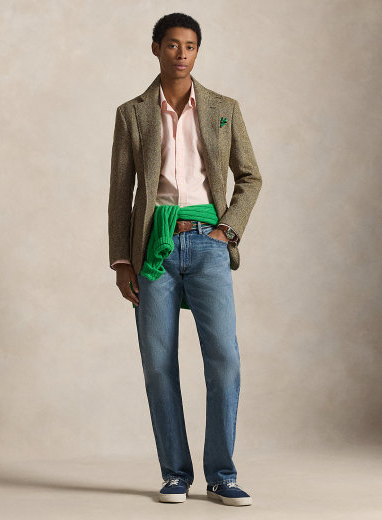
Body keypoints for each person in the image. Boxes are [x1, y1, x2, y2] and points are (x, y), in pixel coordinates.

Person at [108, 12, 262, 507]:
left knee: (224, 361)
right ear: (156, 47)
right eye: (173, 44)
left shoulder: (223, 108)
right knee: (158, 364)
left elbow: (250, 176)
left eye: (190, 46)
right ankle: (175, 473)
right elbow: (121, 192)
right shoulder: (132, 113)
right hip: (152, 249)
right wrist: (122, 261)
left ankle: (221, 475)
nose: (181, 53)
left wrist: (227, 230)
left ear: (197, 51)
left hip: (208, 245)